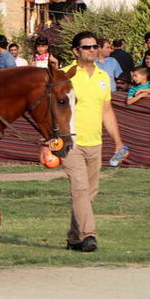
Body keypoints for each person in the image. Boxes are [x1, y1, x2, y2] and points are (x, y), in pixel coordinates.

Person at [62, 31, 124, 253]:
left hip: (95, 142)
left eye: (95, 46)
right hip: (71, 142)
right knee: (80, 190)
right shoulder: (64, 75)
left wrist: (117, 142)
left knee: (89, 194)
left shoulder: (103, 76)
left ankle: (74, 237)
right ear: (76, 51)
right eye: (87, 47)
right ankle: (88, 236)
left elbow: (107, 110)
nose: (92, 50)